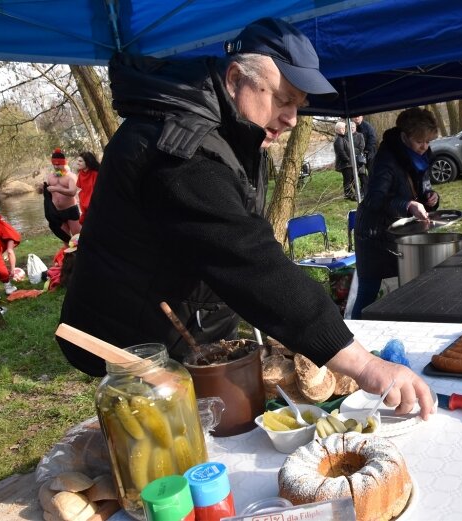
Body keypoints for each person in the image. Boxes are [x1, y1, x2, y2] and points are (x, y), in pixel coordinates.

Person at [57, 18, 433, 418]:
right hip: (134, 342)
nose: (291, 118)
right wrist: (365, 364)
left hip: (186, 326)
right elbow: (247, 256)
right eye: (284, 99)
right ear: (235, 78)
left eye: (298, 106)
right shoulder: (180, 148)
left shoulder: (232, 131)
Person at [351, 108, 440, 319]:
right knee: (368, 292)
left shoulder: (420, 158)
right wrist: (408, 204)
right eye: (420, 142)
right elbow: (374, 199)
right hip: (374, 234)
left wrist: (431, 199)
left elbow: (421, 189)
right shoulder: (386, 159)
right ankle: (351, 336)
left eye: (428, 142)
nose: (424, 147)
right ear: (404, 137)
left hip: (401, 231)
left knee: (406, 288)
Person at [45, 148, 82, 238]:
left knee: (77, 238)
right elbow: (46, 191)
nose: (56, 167)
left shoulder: (71, 176)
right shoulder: (50, 177)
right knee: (65, 238)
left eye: (59, 164)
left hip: (71, 209)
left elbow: (73, 192)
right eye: (54, 165)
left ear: (64, 163)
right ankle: (68, 252)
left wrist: (56, 189)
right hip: (57, 211)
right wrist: (40, 188)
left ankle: (82, 251)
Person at [333, 120, 364, 200]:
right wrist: (348, 160)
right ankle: (348, 194)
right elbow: (341, 152)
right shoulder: (339, 139)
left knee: (352, 179)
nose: (344, 130)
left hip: (349, 163)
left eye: (344, 129)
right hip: (345, 164)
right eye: (342, 129)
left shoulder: (342, 138)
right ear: (338, 130)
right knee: (348, 180)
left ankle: (355, 193)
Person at [0, 214, 21, 299]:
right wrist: (12, 270)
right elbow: (10, 251)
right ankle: (8, 287)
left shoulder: (0, 225)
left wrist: (4, 253)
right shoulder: (11, 235)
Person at [74, 152, 100, 225]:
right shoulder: (81, 174)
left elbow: (98, 193)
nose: (77, 163)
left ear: (88, 162)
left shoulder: (95, 174)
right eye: (77, 160)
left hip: (95, 207)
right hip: (85, 207)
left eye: (80, 161)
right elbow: (81, 189)